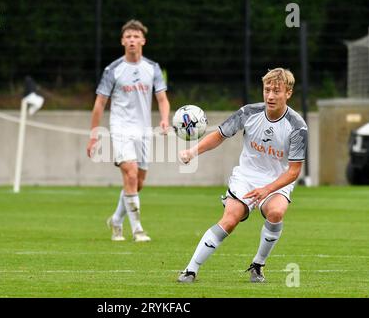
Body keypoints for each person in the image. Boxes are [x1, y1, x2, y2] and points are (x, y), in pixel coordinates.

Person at [177, 68, 308, 283]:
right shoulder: (248, 112)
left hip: (276, 180)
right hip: (246, 177)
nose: (270, 96)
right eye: (267, 90)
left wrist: (267, 189)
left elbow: (294, 171)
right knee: (229, 220)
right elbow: (219, 135)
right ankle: (190, 270)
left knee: (276, 212)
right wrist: (193, 151)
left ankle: (258, 265)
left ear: (289, 93)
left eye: (277, 91)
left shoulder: (298, 127)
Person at [86, 20, 170, 242]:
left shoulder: (152, 68)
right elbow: (99, 104)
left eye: (136, 36)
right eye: (128, 37)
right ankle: (137, 230)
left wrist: (164, 120)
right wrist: (94, 135)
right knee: (130, 173)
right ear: (122, 41)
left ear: (143, 40)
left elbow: (162, 98)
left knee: (138, 182)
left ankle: (115, 219)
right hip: (121, 128)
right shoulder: (113, 70)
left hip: (143, 131)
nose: (132, 40)